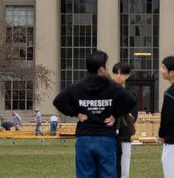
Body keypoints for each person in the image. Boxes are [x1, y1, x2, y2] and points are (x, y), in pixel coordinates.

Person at [53, 50, 138, 178]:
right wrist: (115, 115)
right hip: (106, 137)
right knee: (108, 174)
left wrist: (76, 113)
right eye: (106, 66)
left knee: (85, 174)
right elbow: (131, 100)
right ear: (101, 69)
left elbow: (58, 101)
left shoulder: (78, 87)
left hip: (85, 137)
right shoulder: (112, 87)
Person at [112, 61, 139, 178]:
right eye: (116, 73)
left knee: (124, 170)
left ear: (127, 75)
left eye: (122, 73)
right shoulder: (107, 92)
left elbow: (133, 116)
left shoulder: (132, 93)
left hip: (124, 134)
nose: (118, 76)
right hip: (109, 135)